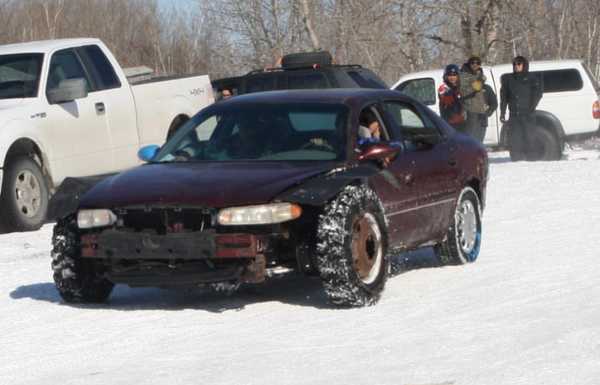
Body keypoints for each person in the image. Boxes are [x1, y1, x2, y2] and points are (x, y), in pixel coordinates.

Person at [500, 55, 543, 161]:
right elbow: (504, 97)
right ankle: (516, 162)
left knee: (530, 139)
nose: (516, 66)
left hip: (528, 114)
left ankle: (532, 160)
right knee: (515, 140)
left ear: (524, 65)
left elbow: (538, 93)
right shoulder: (508, 79)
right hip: (514, 115)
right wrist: (502, 113)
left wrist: (531, 107)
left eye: (519, 64)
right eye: (514, 64)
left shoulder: (531, 78)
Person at [459, 55, 488, 141]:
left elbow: (486, 92)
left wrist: (489, 108)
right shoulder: (464, 75)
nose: (475, 65)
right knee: (471, 139)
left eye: (478, 63)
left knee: (480, 139)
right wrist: (479, 82)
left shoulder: (479, 75)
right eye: (472, 63)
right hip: (470, 112)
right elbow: (465, 91)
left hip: (481, 111)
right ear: (469, 64)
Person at [438, 64, 465, 131]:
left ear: (458, 76)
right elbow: (449, 102)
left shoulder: (460, 87)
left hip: (463, 123)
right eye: (450, 75)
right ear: (446, 76)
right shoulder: (443, 88)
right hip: (450, 124)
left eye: (454, 74)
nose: (452, 77)